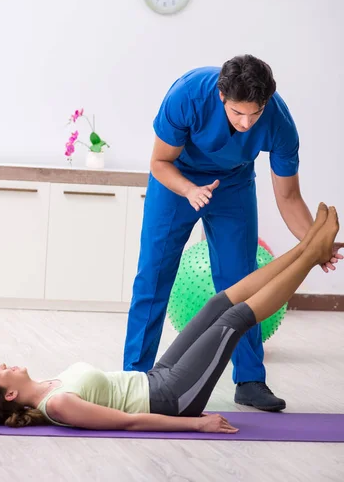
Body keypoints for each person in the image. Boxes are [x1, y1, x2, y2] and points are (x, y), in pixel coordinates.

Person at [0, 204, 342, 432]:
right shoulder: (58, 405)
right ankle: (312, 255)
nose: (6, 366)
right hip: (171, 397)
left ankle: (307, 245)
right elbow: (129, 422)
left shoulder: (48, 385)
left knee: (215, 305)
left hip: (156, 378)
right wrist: (197, 423)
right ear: (11, 394)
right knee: (233, 321)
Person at [123, 55, 343, 411]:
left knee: (242, 281)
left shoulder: (279, 123)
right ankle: (134, 375)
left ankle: (250, 380)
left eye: (254, 114)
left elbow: (288, 197)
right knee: (153, 276)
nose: (246, 123)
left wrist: (315, 246)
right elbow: (159, 162)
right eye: (238, 113)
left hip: (234, 185)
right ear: (222, 97)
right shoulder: (188, 95)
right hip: (176, 180)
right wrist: (189, 191)